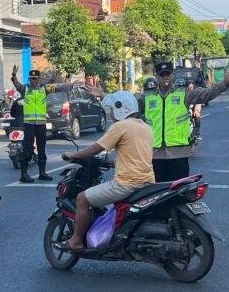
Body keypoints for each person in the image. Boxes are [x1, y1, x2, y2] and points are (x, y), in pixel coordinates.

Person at [57, 92, 155, 253]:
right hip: (147, 183)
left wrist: (73, 155)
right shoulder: (145, 127)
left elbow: (97, 148)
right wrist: (112, 162)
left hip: (126, 184)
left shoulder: (120, 126)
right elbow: (136, 155)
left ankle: (75, 241)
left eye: (112, 110)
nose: (111, 114)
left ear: (121, 109)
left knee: (82, 199)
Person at [142, 61, 229, 182]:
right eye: (162, 75)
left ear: (173, 76)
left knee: (178, 194)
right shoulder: (147, 97)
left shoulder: (184, 93)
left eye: (168, 74)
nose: (165, 77)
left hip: (178, 154)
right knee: (156, 194)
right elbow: (129, 112)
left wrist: (225, 82)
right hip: (154, 155)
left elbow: (207, 94)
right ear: (157, 77)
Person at [11, 66, 73, 183]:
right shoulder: (25, 89)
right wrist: (14, 76)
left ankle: (42, 173)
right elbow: (17, 85)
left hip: (41, 124)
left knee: (42, 149)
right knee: (27, 150)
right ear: (29, 79)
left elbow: (59, 88)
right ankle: (24, 174)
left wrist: (71, 85)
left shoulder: (45, 89)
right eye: (32, 79)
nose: (33, 81)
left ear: (39, 79)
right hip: (29, 124)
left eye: (35, 79)